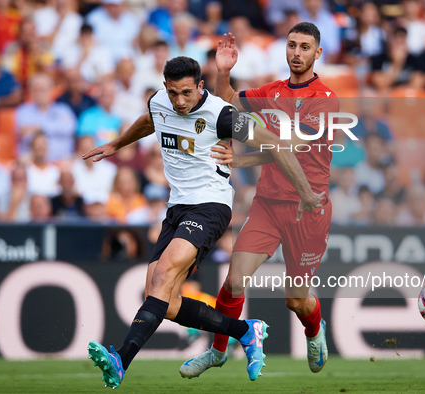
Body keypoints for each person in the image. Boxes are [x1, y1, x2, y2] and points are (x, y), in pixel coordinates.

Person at [82, 56, 322, 388]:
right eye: (173, 93)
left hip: (209, 206)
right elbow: (150, 120)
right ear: (165, 88)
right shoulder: (160, 102)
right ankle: (244, 330)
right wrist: (117, 143)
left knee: (164, 275)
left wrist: (306, 195)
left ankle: (121, 360)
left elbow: (277, 145)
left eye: (186, 93)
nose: (180, 102)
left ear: (200, 86)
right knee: (162, 299)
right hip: (176, 209)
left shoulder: (222, 116)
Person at [181, 23, 334, 378]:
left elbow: (291, 147)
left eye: (305, 47)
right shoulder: (273, 91)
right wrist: (223, 71)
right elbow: (227, 103)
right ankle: (218, 352)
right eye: (292, 45)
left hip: (307, 208)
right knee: (234, 281)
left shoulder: (324, 99)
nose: (297, 53)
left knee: (295, 299)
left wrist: (243, 160)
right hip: (268, 204)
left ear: (317, 54)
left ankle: (314, 329)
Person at [15, 73, 77, 161]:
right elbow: (25, 136)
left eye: (43, 89)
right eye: (37, 90)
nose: (40, 93)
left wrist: (39, 127)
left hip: (63, 161)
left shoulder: (63, 109)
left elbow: (69, 128)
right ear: (31, 92)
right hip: (32, 161)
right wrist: (54, 128)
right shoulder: (23, 111)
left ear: (51, 90)